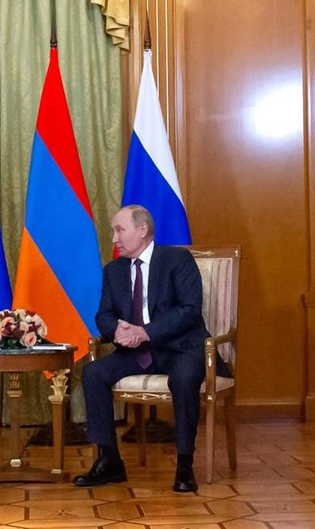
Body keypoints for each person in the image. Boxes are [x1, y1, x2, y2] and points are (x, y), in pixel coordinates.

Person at [74, 204, 216, 493]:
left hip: (180, 348)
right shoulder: (113, 270)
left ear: (142, 230)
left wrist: (145, 332)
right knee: (93, 373)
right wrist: (117, 332)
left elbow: (189, 310)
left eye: (119, 230)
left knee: (184, 378)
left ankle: (185, 464)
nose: (114, 238)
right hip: (136, 353)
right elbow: (104, 314)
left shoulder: (177, 260)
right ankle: (109, 461)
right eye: (113, 231)